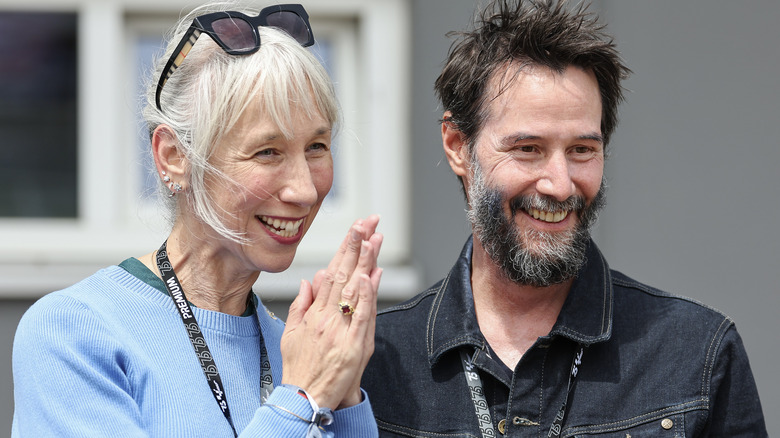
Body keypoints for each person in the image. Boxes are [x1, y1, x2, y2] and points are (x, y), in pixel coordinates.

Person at [361, 0, 767, 436]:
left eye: (581, 150)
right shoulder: (377, 358)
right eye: (527, 148)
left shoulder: (696, 354)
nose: (560, 184)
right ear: (458, 145)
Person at [12, 3, 383, 437]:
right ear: (175, 158)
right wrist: (302, 397)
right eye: (268, 152)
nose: (304, 189)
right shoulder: (74, 332)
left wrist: (346, 391)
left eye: (317, 146)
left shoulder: (301, 350)